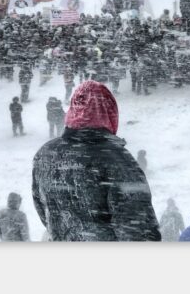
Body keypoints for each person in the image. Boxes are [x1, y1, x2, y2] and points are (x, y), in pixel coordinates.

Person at [32, 80, 161, 241]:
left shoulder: (45, 154)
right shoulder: (115, 158)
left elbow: (44, 211)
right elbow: (138, 228)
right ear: (108, 111)